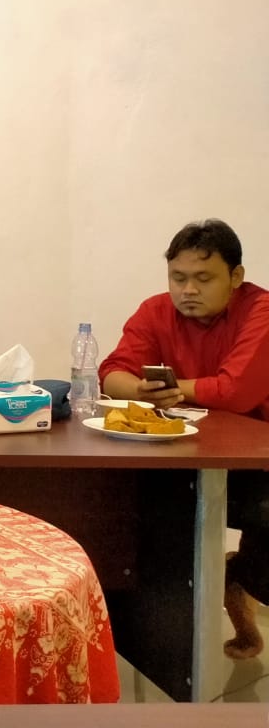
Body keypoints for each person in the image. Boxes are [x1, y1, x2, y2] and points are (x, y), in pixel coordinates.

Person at [99, 219, 269, 659]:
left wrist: (173, 390)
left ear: (236, 276)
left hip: (257, 463)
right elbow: (111, 372)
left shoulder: (261, 311)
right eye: (178, 278)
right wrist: (139, 390)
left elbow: (235, 392)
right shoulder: (155, 311)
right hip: (180, 455)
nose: (188, 290)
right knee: (123, 511)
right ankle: (161, 650)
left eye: (203, 278)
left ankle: (239, 576)